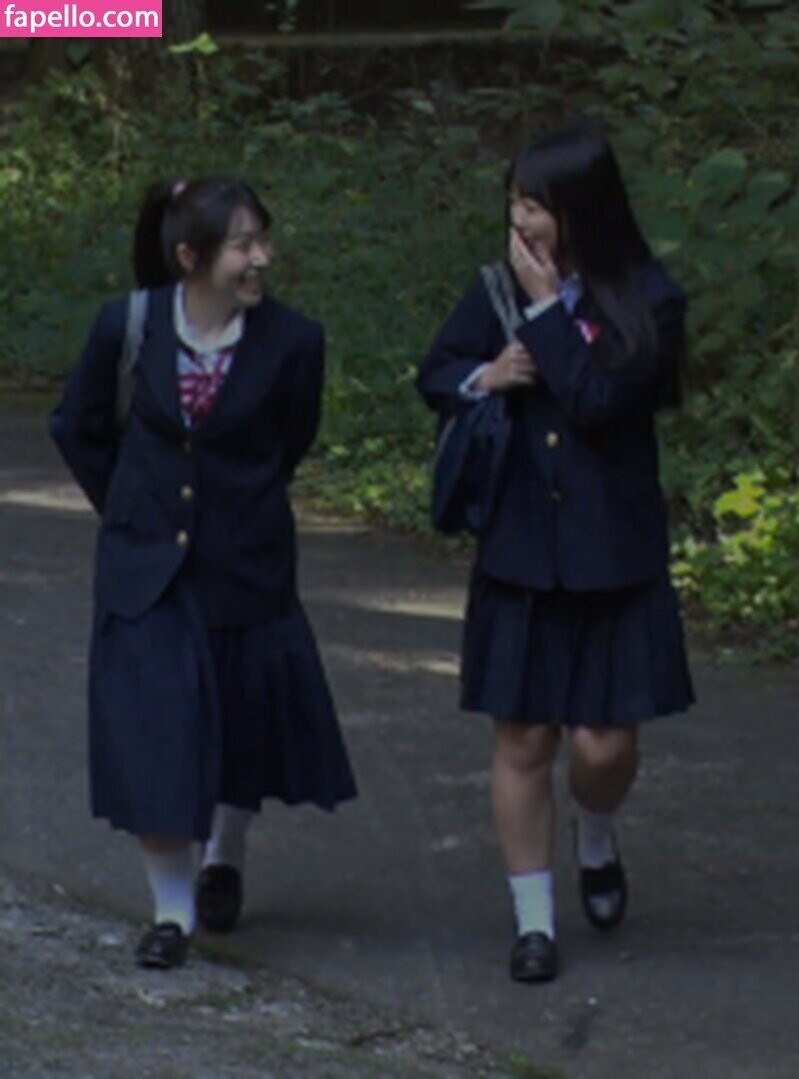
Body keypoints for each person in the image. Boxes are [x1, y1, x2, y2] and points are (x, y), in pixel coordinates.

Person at [50, 177, 357, 970]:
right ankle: (173, 910)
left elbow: (289, 440)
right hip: (146, 572)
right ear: (191, 256)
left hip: (246, 567)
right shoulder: (127, 326)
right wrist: (128, 507)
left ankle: (227, 852)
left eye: (264, 239)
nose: (262, 258)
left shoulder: (294, 341)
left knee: (239, 726)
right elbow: (78, 424)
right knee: (157, 731)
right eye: (243, 244)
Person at [417, 125, 695, 984]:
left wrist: (545, 314)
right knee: (524, 736)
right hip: (521, 549)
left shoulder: (650, 298)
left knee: (604, 746)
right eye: (515, 202)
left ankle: (596, 832)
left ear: (583, 210)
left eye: (536, 206)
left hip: (613, 553)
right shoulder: (494, 289)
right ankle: (533, 921)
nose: (521, 222)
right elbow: (437, 371)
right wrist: (486, 376)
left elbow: (597, 400)